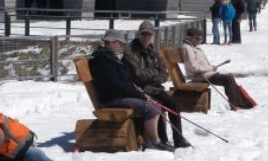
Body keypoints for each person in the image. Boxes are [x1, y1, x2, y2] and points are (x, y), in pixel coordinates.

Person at [88, 31, 170, 150]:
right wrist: (138, 94)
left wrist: (136, 89)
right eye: (120, 43)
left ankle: (149, 139)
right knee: (151, 108)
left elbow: (123, 81)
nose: (122, 46)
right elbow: (116, 85)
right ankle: (155, 142)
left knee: (155, 104)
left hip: (117, 95)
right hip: (112, 99)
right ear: (113, 42)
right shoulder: (104, 60)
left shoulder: (109, 58)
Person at [122, 20, 188, 149]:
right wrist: (154, 72)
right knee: (158, 105)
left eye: (149, 34)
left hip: (155, 88)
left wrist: (152, 75)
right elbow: (136, 74)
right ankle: (161, 140)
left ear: (153, 36)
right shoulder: (130, 51)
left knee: (174, 105)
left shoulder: (155, 52)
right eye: (143, 34)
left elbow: (164, 74)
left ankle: (178, 140)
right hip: (140, 89)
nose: (146, 37)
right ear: (138, 35)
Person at [180, 24, 257, 109]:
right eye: (197, 38)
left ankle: (240, 103)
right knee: (228, 79)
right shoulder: (187, 48)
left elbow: (199, 64)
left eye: (200, 38)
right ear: (190, 38)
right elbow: (193, 67)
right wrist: (210, 68)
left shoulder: (192, 47)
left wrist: (211, 67)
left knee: (229, 77)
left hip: (205, 74)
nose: (199, 40)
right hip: (200, 76)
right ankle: (235, 104)